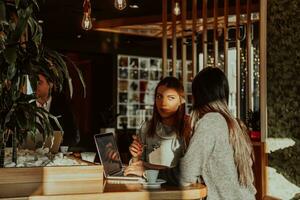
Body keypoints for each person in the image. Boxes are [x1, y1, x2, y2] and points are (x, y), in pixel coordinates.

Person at [125, 67, 256, 200]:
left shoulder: (211, 122)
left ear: (197, 96)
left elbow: (186, 174)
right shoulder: (233, 124)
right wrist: (145, 166)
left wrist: (147, 173)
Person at [125, 77, 191, 175]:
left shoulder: (189, 127)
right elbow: (137, 168)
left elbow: (186, 171)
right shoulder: (146, 127)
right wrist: (136, 156)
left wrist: (146, 168)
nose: (163, 103)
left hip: (177, 189)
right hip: (149, 188)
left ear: (181, 101)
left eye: (171, 98)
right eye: (159, 97)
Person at [35, 73, 80, 147]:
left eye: (40, 83)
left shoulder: (63, 105)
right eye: (33, 82)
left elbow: (75, 137)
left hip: (55, 154)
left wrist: (58, 144)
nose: (35, 86)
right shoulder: (25, 105)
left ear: (50, 85)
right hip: (26, 154)